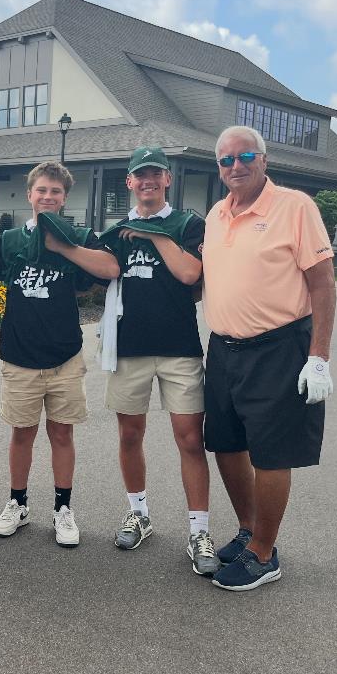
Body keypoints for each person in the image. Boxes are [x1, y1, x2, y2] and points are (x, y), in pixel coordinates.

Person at [203, 125, 337, 591]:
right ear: (218, 168)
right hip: (223, 349)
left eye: (246, 156)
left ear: (264, 160)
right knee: (225, 443)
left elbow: (322, 282)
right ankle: (248, 530)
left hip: (278, 347)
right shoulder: (217, 214)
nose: (236, 166)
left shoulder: (295, 206)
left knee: (271, 453)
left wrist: (319, 356)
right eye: (226, 160)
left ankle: (264, 553)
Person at [0, 161, 120, 547]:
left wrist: (64, 247)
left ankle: (63, 508)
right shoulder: (9, 241)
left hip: (65, 356)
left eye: (55, 192)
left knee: (61, 434)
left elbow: (107, 271)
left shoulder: (78, 236)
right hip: (20, 355)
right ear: (30, 194)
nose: (48, 197)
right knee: (21, 434)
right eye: (42, 190)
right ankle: (17, 503)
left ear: (64, 197)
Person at [99, 146, 219, 575]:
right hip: (129, 347)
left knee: (189, 439)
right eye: (139, 175)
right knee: (130, 435)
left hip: (179, 348)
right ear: (129, 182)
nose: (147, 181)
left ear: (167, 179)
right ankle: (139, 513)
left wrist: (154, 235)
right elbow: (97, 271)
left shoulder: (188, 224)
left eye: (155, 174)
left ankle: (199, 531)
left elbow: (190, 274)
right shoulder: (117, 230)